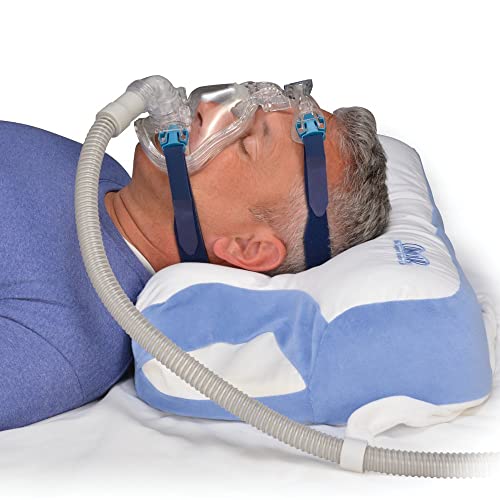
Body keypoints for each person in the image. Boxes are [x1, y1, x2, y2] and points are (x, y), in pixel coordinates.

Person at [0, 103, 389, 431]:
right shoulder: (95, 168)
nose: (207, 108)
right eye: (239, 107)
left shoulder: (64, 340)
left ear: (247, 248)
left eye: (246, 142)